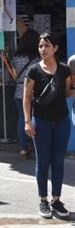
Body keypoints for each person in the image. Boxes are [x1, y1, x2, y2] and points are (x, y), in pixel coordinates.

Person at [23, 33, 72, 219]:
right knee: (42, 162)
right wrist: (28, 122)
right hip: (41, 122)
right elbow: (27, 98)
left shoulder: (65, 70)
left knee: (58, 161)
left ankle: (56, 200)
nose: (43, 49)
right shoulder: (33, 71)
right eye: (40, 46)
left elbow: (67, 93)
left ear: (55, 48)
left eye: (46, 46)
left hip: (62, 122)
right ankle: (43, 200)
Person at [2, 29, 40, 160]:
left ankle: (23, 149)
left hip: (19, 92)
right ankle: (36, 147)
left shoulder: (16, 58)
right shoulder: (38, 59)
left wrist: (6, 63)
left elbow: (15, 76)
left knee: (22, 119)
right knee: (35, 118)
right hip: (35, 92)